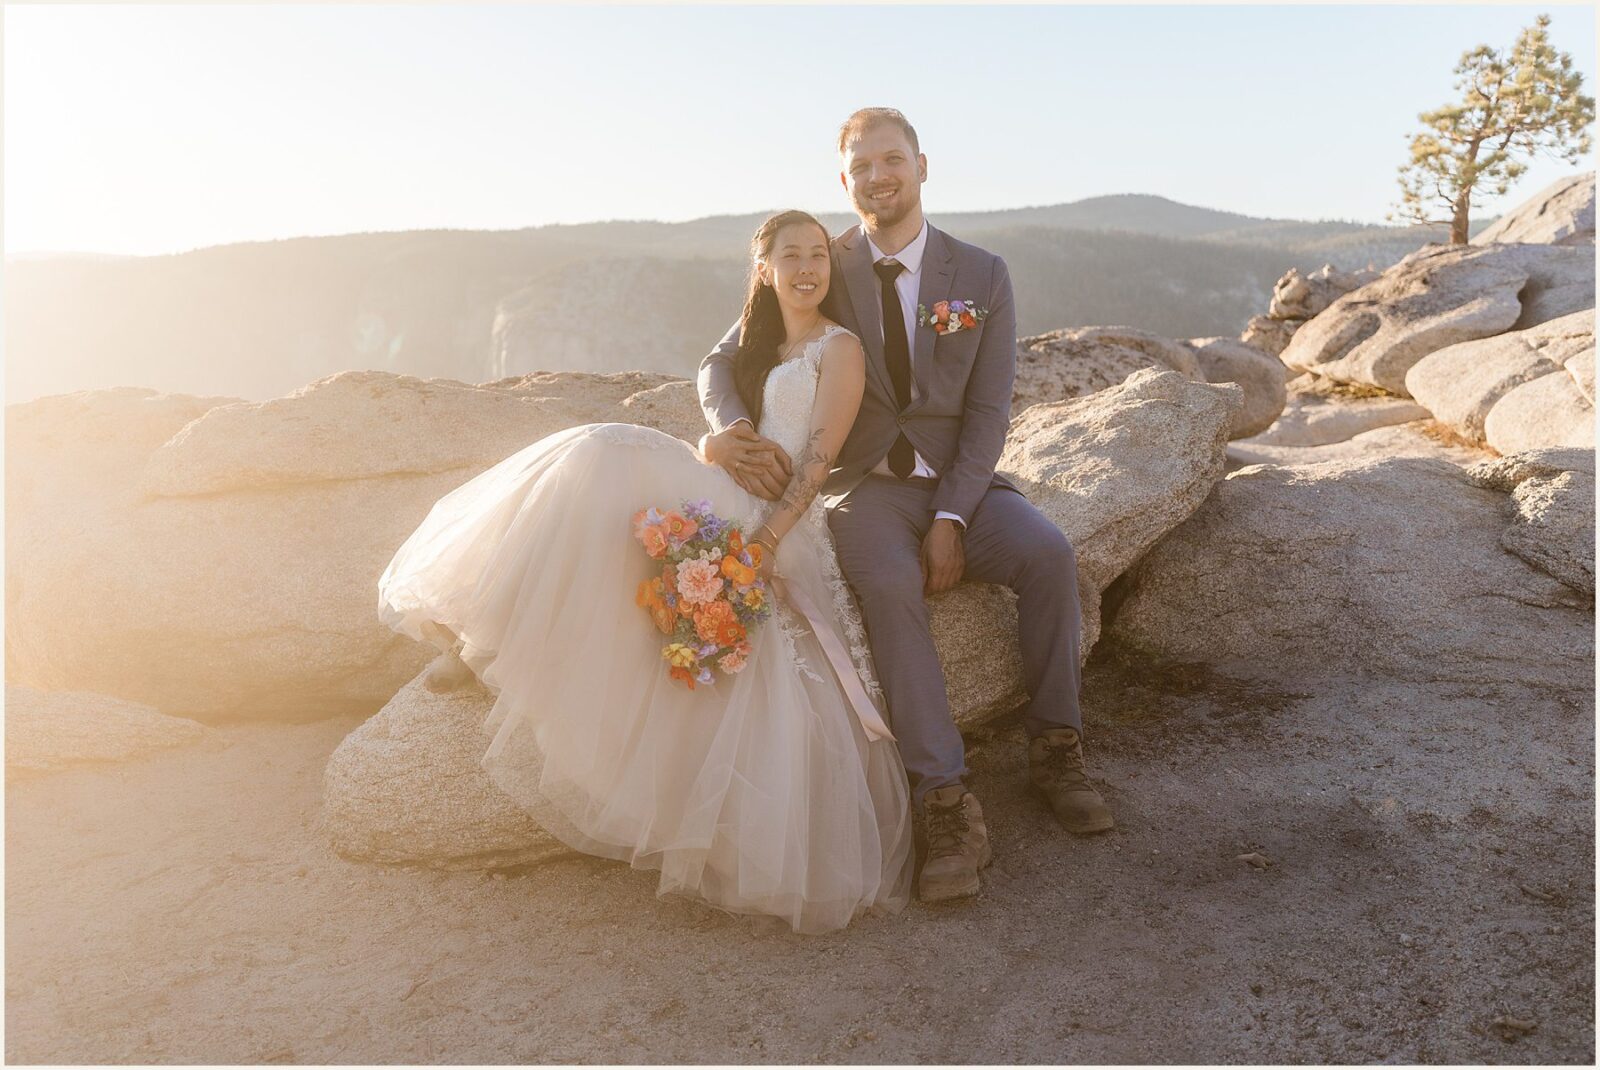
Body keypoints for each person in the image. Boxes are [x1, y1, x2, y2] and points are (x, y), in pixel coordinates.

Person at [378, 210, 913, 934]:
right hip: (727, 485)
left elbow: (816, 463)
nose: (809, 268)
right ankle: (491, 629)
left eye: (819, 254)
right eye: (791, 256)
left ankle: (496, 636)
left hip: (775, 521)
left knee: (605, 453)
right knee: (595, 458)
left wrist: (762, 545)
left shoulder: (838, 347)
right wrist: (714, 442)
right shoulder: (759, 337)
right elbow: (714, 388)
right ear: (764, 269)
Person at [698, 107, 1113, 905]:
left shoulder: (981, 273)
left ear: (923, 165)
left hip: (966, 485)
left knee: (1050, 555)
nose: (878, 177)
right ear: (843, 181)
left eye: (892, 161)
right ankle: (945, 802)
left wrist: (955, 518)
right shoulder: (823, 261)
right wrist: (730, 430)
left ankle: (1057, 747)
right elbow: (724, 356)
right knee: (889, 588)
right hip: (865, 490)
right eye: (861, 167)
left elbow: (989, 411)